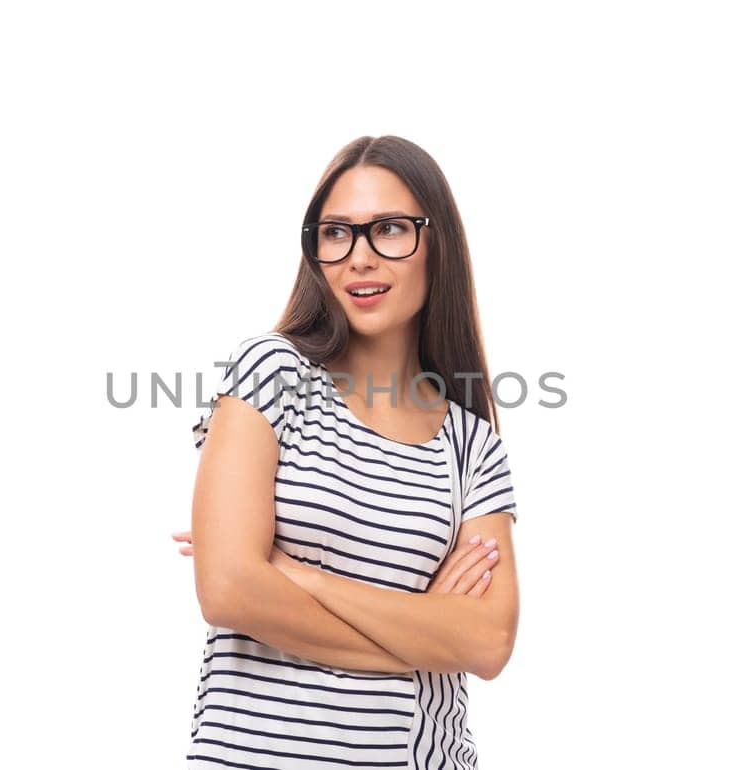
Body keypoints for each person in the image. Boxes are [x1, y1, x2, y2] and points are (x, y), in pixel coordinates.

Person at [172, 135, 520, 769]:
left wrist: (292, 571)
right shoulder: (270, 373)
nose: (358, 257)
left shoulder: (471, 443)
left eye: (388, 229)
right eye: (336, 233)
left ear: (435, 243)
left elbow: (489, 640)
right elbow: (226, 590)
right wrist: (425, 634)